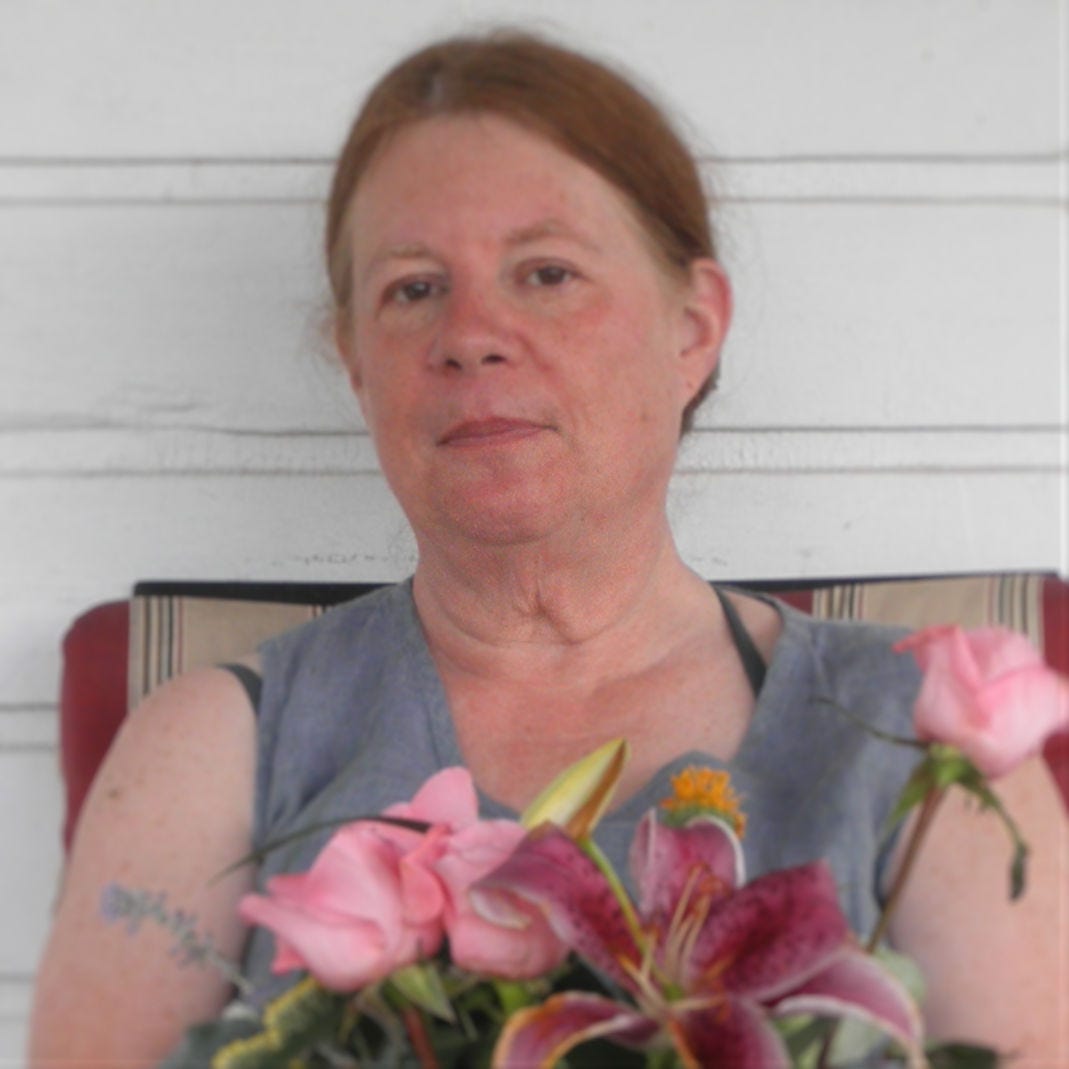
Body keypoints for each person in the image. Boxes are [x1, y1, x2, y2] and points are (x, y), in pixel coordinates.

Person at [29, 31, 1068, 1067]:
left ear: (693, 328)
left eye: (546, 272)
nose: (471, 333)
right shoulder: (216, 744)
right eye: (413, 288)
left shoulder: (921, 748)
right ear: (356, 361)